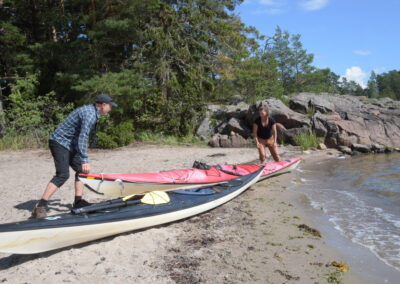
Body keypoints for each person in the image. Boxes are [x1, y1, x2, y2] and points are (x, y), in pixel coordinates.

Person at [31, 93, 118, 218]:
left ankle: (78, 202)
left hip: (70, 144)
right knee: (63, 175)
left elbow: (78, 137)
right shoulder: (89, 114)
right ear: (103, 105)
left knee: (82, 171)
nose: (111, 108)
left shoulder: (93, 112)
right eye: (110, 106)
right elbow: (83, 137)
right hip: (59, 142)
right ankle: (40, 206)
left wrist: (82, 161)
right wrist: (84, 159)